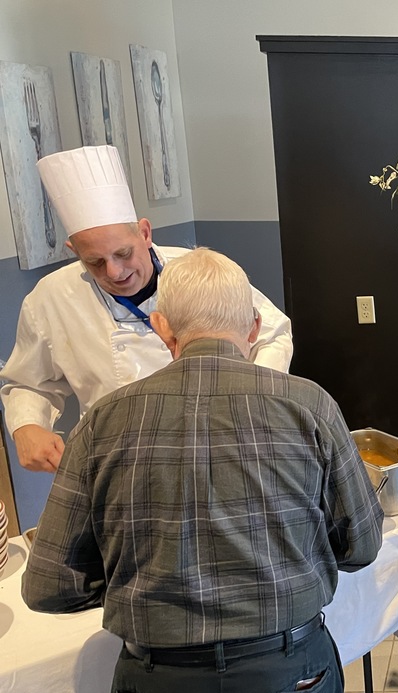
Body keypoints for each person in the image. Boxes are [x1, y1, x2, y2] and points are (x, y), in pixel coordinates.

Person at [21, 247, 384, 693]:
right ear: (254, 326)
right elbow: (363, 545)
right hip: (288, 670)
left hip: (160, 684)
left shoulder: (102, 421)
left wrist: (134, 576)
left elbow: (48, 586)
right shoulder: (310, 405)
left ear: (163, 328)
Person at [0, 145, 293, 473]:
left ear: (144, 232)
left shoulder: (200, 271)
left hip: (216, 448)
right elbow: (28, 381)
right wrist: (26, 425)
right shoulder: (52, 298)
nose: (114, 272)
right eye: (94, 261)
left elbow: (273, 332)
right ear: (73, 250)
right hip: (114, 462)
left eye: (123, 253)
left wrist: (254, 400)